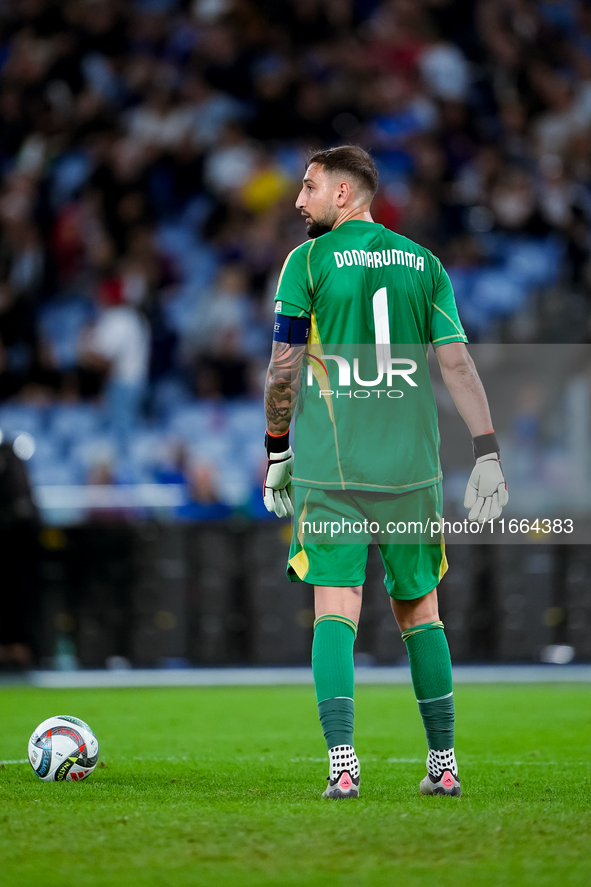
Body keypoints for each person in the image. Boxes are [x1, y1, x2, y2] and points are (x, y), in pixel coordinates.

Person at [263, 145, 508, 799]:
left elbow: (283, 367)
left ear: (344, 194)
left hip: (331, 469)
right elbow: (456, 366)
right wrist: (486, 449)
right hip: (409, 469)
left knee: (334, 612)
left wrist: (277, 449)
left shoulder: (307, 261)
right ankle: (443, 766)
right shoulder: (423, 263)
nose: (298, 200)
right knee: (421, 613)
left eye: (309, 187)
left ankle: (343, 764)